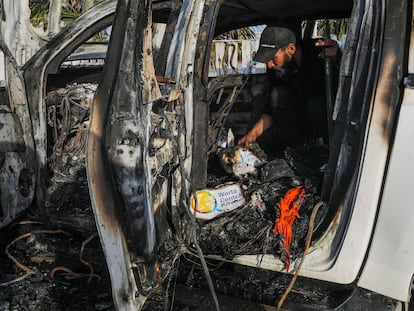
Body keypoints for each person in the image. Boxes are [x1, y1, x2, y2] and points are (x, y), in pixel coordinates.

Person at [238, 25, 340, 151]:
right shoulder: (277, 69)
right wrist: (252, 135)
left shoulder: (320, 52)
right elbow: (269, 110)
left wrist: (337, 58)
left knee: (315, 105)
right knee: (277, 95)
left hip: (330, 118)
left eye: (273, 59)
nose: (269, 65)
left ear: (290, 49)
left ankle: (328, 149)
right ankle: (299, 151)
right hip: (300, 119)